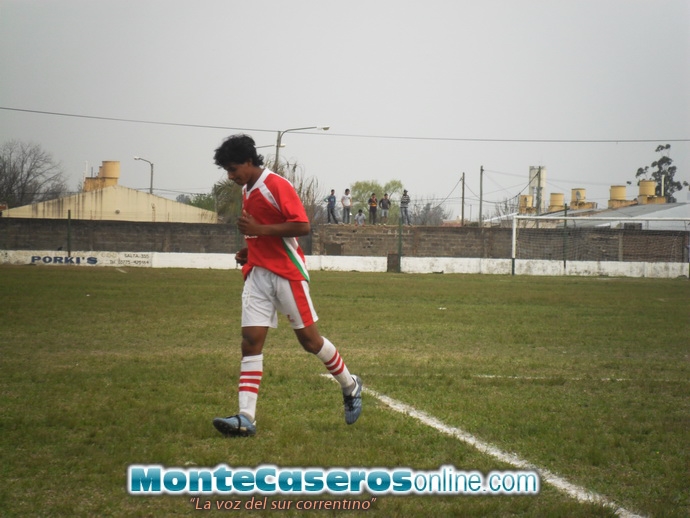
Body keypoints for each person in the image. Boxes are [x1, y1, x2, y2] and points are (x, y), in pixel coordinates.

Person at [211, 134, 362, 437]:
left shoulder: (276, 185)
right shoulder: (248, 188)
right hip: (258, 274)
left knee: (310, 342)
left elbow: (302, 225)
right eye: (227, 170)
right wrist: (250, 249)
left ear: (249, 161)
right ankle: (246, 418)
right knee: (250, 341)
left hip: (286, 273)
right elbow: (262, 232)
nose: (230, 176)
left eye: (233, 169)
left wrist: (259, 231)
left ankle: (350, 385)